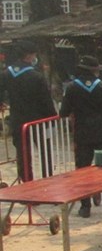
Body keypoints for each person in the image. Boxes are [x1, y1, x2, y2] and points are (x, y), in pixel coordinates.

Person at [59, 55, 102, 218]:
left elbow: (63, 112)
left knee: (82, 171)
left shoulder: (72, 87)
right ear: (94, 71)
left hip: (83, 134)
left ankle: (85, 207)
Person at [0, 40, 56, 182]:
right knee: (45, 151)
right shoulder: (36, 76)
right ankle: (48, 180)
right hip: (38, 120)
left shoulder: (6, 74)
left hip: (18, 119)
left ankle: (26, 183)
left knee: (23, 154)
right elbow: (46, 100)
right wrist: (52, 117)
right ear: (29, 55)